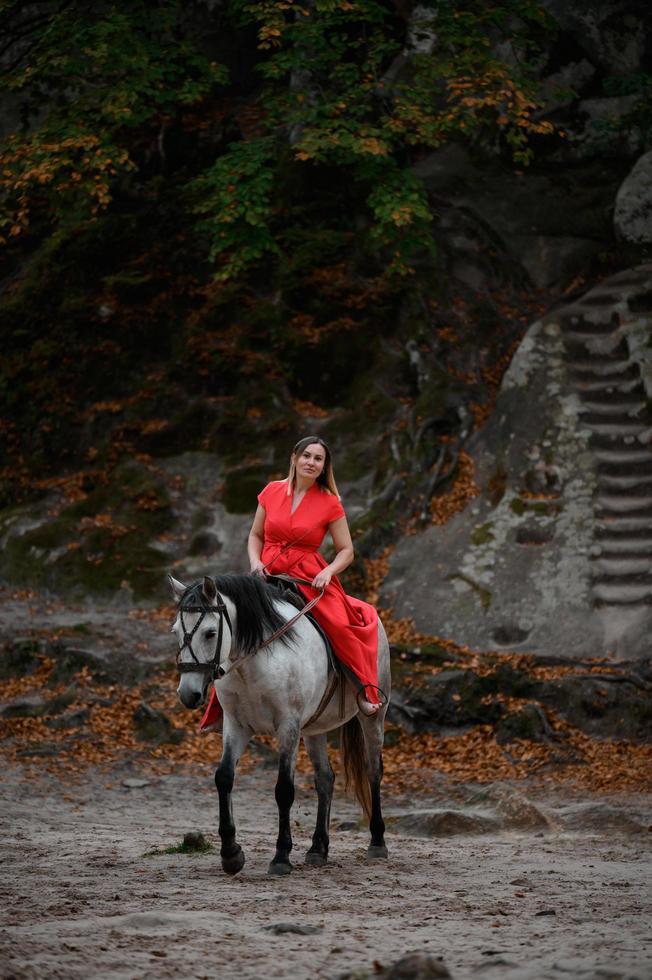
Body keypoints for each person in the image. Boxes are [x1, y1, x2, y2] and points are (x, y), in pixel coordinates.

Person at [198, 436, 381, 732]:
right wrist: (255, 562)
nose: (311, 462)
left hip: (308, 575)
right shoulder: (271, 491)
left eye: (318, 459)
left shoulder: (330, 503)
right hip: (265, 572)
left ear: (324, 467)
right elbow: (256, 535)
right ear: (294, 458)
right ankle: (222, 707)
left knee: (340, 624)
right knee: (232, 623)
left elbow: (347, 550)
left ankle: (363, 689)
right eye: (306, 456)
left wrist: (329, 571)